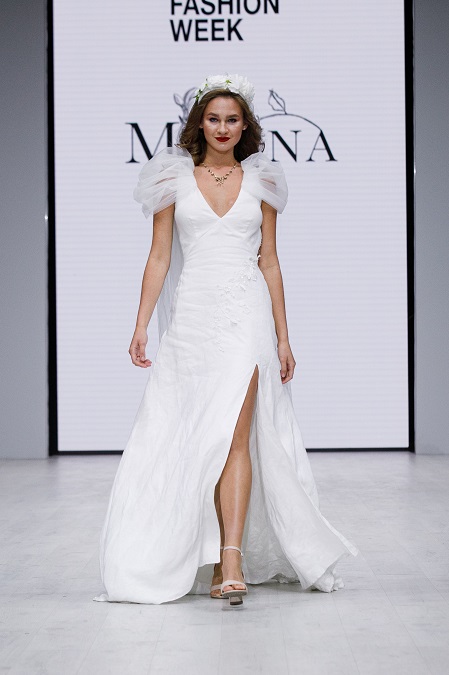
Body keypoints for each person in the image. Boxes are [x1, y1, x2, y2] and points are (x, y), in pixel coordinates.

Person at [93, 74, 357, 607]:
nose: (222, 127)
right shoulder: (172, 179)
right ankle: (203, 555)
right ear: (199, 123)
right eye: (213, 118)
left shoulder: (263, 181)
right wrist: (140, 324)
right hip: (192, 318)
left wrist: (283, 337)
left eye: (231, 119)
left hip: (246, 315)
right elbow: (159, 258)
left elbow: (270, 262)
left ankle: (230, 558)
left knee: (236, 434)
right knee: (195, 433)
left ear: (244, 126)